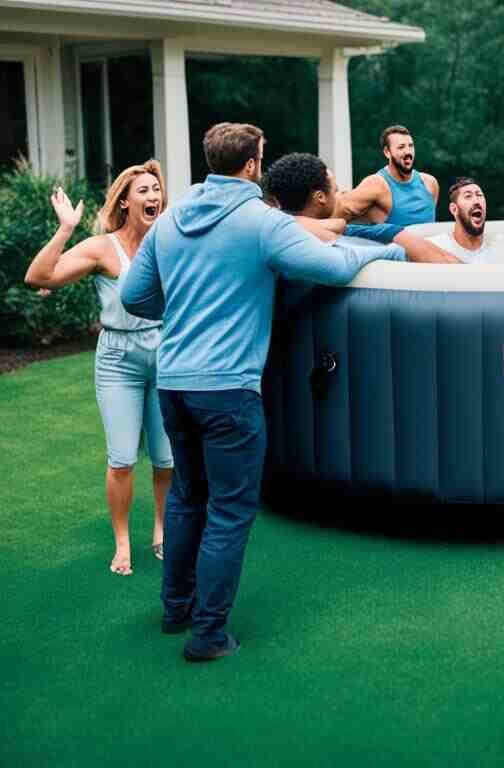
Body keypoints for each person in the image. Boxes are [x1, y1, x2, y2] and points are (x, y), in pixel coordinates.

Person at [121, 123, 406, 661]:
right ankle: (208, 634)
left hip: (174, 384)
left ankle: (175, 608)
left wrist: (186, 310)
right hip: (228, 390)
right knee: (229, 510)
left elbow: (136, 296)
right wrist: (385, 254)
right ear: (252, 164)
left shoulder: (173, 218)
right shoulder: (262, 222)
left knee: (187, 496)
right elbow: (333, 266)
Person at [24, 161, 173, 576]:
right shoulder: (102, 248)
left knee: (166, 458)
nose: (153, 197)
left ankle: (162, 532)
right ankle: (122, 542)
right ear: (125, 201)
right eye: (143, 191)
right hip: (118, 360)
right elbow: (39, 276)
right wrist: (66, 229)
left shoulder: (169, 243)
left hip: (165, 356)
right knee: (122, 458)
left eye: (156, 190)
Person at [262, 153, 460, 263]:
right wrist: (391, 252)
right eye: (337, 191)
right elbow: (447, 263)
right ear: (320, 197)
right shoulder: (373, 235)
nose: (341, 195)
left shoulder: (269, 236)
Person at [333, 125, 439, 248]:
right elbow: (339, 211)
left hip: (430, 259)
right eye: (401, 147)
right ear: (387, 152)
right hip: (395, 262)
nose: (408, 152)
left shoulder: (430, 183)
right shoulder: (376, 185)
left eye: (411, 146)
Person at [425, 177, 492, 262]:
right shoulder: (435, 246)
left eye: (479, 195)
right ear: (454, 209)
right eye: (468, 196)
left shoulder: (500, 248)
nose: (476, 201)